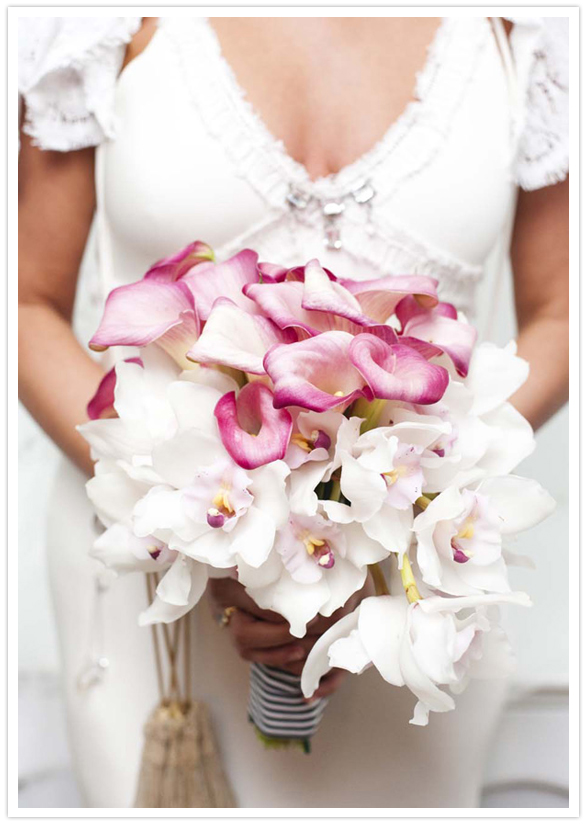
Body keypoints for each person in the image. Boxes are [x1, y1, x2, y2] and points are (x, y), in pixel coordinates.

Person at [18, 15, 569, 808]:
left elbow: (561, 312)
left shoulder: (528, 27)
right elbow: (27, 301)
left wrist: (393, 519)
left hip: (411, 592)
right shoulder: (91, 22)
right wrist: (204, 533)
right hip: (154, 568)